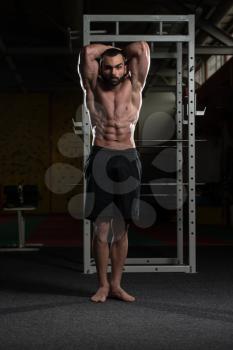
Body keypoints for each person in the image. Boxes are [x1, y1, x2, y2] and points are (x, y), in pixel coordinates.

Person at [78, 41, 150, 303]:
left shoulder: (136, 84)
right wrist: (112, 50)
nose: (114, 72)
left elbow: (141, 48)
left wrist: (117, 49)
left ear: (126, 67)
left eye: (119, 66)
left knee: (122, 227)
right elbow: (87, 52)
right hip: (101, 156)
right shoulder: (93, 85)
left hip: (128, 158)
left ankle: (117, 285)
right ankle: (103, 286)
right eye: (107, 67)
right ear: (101, 69)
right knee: (102, 227)